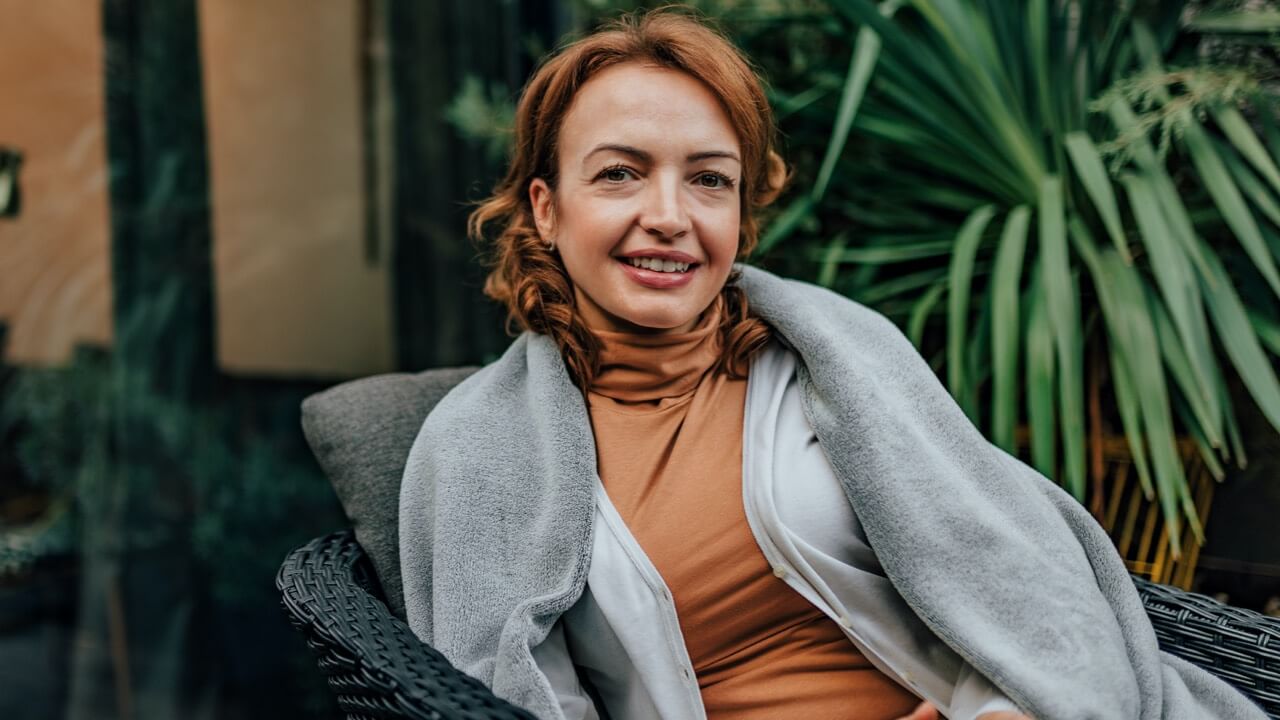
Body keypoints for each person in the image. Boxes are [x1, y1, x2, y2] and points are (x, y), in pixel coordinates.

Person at [397, 8, 1268, 720]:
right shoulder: (480, 452)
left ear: (742, 207)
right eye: (621, 174)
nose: (669, 215)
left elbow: (1014, 575)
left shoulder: (833, 355)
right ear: (546, 208)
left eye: (708, 180)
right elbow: (498, 693)